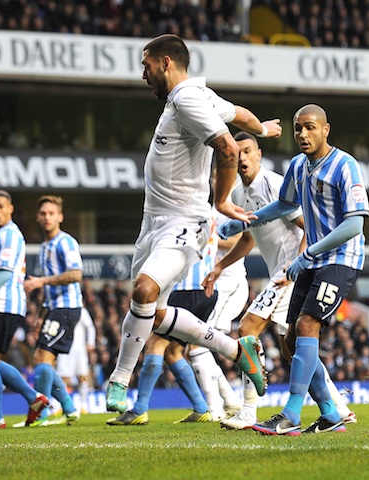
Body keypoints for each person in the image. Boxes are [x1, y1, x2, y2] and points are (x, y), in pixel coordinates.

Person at [105, 33, 282, 413]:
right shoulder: (200, 96)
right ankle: (237, 351)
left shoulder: (186, 99)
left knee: (144, 291)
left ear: (165, 63)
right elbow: (242, 116)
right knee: (155, 314)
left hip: (183, 221)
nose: (143, 74)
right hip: (153, 222)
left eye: (146, 65)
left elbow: (228, 147)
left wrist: (220, 201)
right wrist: (263, 130)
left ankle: (119, 379)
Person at [219, 104, 369, 435]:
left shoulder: (345, 166)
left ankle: (291, 414)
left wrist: (307, 253)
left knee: (306, 323)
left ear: (326, 129)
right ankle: (331, 414)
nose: (302, 134)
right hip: (313, 262)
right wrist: (243, 222)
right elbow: (286, 205)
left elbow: (354, 225)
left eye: (310, 127)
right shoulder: (298, 166)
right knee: (289, 341)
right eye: (298, 128)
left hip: (340, 259)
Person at [106, 232, 219, 426]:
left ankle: (140, 409)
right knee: (173, 352)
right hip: (207, 291)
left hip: (186, 288)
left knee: (155, 345)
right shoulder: (209, 215)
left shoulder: (187, 210)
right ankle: (201, 408)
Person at [0, 190, 49, 431]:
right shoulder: (5, 235)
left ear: (10, 208)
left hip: (2, 304)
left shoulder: (8, 235)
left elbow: (4, 273)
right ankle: (34, 398)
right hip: (8, 305)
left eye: (0, 206)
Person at [24, 195, 83, 426]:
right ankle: (68, 408)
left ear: (60, 216)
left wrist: (41, 281)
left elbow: (76, 274)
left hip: (67, 307)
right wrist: (40, 317)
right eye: (43, 213)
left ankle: (41, 414)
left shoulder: (65, 242)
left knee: (43, 358)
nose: (47, 217)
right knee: (42, 359)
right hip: (53, 309)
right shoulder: (44, 247)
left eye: (51, 213)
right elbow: (47, 288)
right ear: (38, 217)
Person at [188, 208, 248, 420]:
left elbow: (240, 242)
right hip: (218, 284)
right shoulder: (209, 210)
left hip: (228, 284)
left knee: (196, 343)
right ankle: (230, 401)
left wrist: (207, 239)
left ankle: (214, 408)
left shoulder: (234, 208)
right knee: (199, 345)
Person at [55, 306, 95, 414]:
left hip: (79, 349)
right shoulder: (60, 308)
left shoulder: (81, 310)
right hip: (64, 348)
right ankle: (61, 405)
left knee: (83, 376)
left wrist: (91, 342)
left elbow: (90, 327)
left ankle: (83, 405)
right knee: (63, 378)